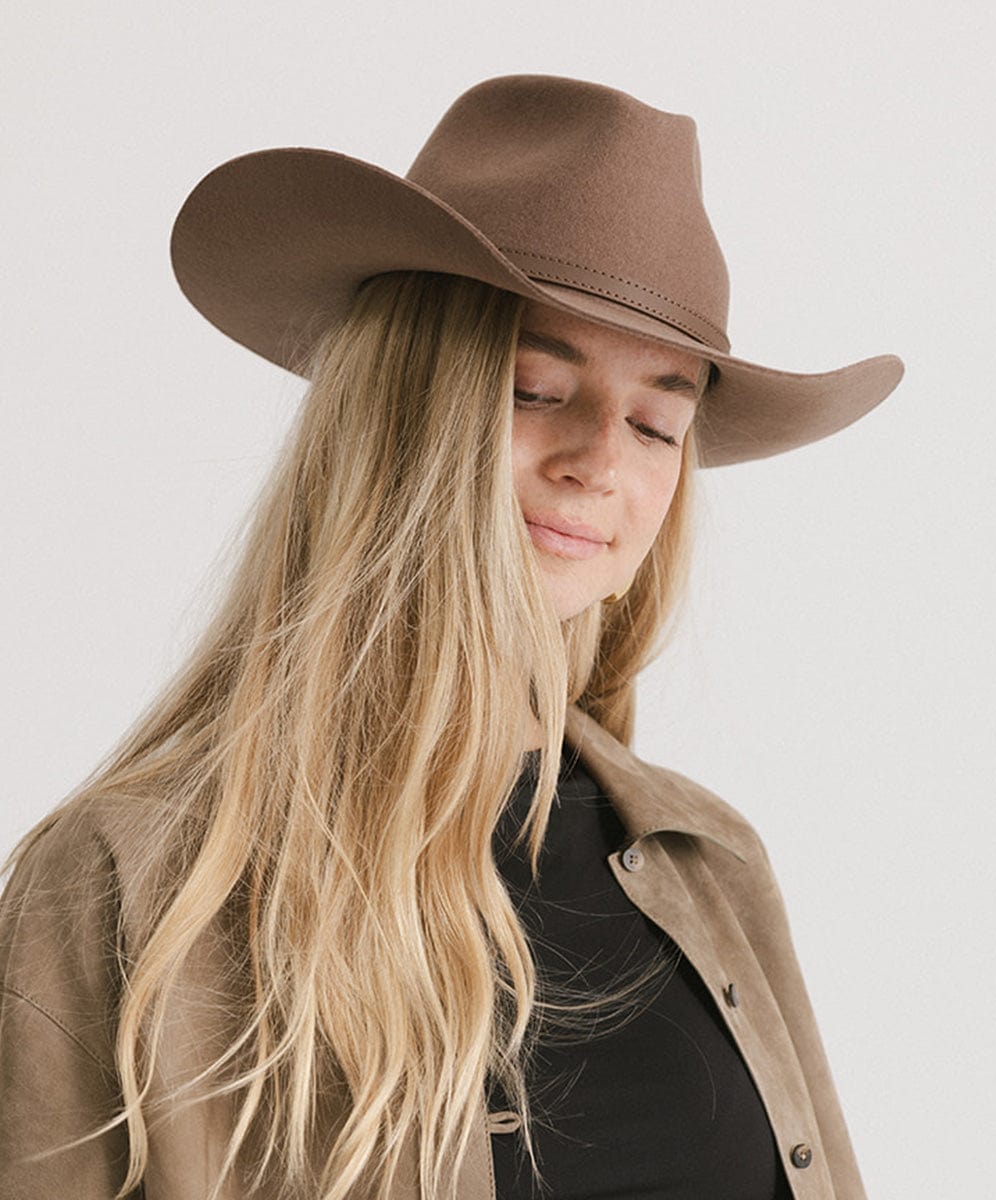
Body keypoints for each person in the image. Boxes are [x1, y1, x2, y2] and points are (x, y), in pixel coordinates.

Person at [0, 74, 903, 1200]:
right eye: (533, 390)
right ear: (396, 415)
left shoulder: (708, 861)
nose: (602, 463)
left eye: (656, 422)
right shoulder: (134, 881)